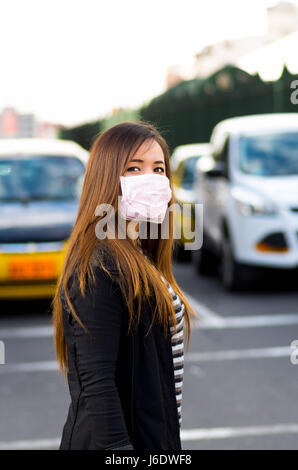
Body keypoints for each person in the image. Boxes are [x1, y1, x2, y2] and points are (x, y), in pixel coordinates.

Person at [51, 120, 198, 450]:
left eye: (159, 169)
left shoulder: (135, 252)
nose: (153, 179)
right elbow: (97, 382)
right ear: (107, 177)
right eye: (135, 167)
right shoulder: (99, 264)